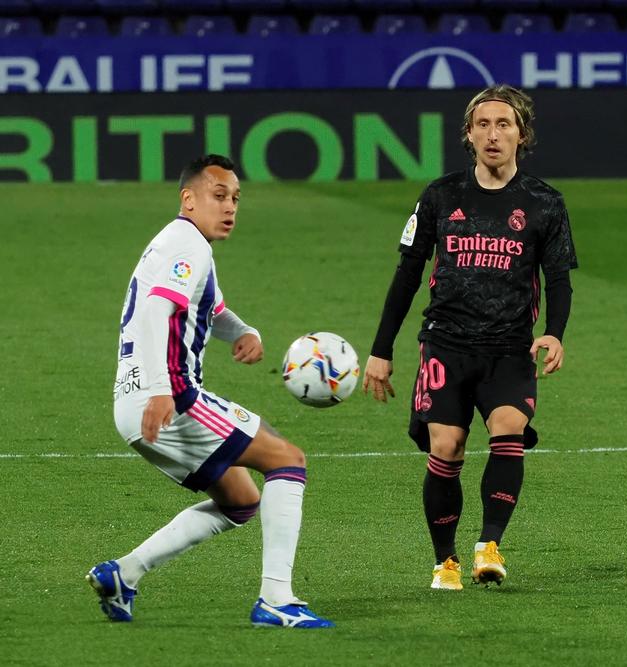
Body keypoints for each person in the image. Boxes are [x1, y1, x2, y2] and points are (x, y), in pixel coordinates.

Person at [88, 155, 332, 628]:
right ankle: (277, 600)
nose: (230, 207)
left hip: (131, 403)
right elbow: (160, 309)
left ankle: (125, 573)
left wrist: (242, 331)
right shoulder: (189, 246)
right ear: (189, 198)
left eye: (235, 198)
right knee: (287, 459)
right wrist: (162, 390)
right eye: (218, 195)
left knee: (241, 501)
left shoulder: (177, 243)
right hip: (172, 399)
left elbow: (208, 307)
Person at [363, 85, 578, 591]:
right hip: (447, 344)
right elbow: (407, 274)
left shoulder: (544, 202)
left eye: (503, 124)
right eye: (482, 124)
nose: (492, 134)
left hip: (510, 347)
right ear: (468, 134)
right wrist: (380, 349)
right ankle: (445, 561)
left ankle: (490, 544)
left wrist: (554, 333)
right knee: (449, 445)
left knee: (508, 428)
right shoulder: (441, 196)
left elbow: (559, 277)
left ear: (521, 135)